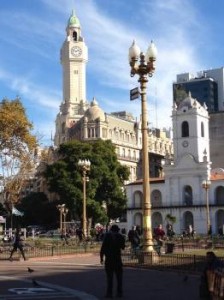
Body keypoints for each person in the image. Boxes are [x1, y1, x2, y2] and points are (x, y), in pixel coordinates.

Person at [100, 224, 125, 298]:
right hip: (117, 259)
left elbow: (103, 248)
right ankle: (119, 293)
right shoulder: (120, 236)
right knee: (119, 278)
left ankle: (109, 293)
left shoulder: (107, 236)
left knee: (109, 278)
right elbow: (123, 247)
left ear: (111, 230)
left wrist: (101, 258)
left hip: (109, 259)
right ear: (117, 230)